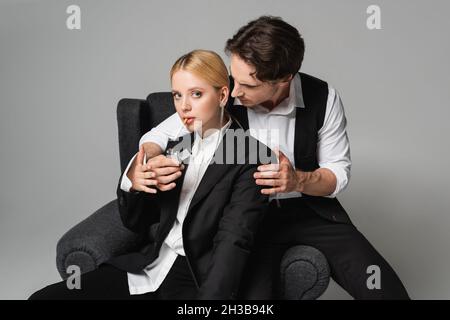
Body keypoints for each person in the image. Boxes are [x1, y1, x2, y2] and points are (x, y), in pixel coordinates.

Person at [136, 16, 410, 299]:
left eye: (248, 86)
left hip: (309, 211)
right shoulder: (222, 94)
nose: (236, 92)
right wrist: (151, 159)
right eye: (234, 78)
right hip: (243, 217)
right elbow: (155, 137)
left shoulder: (323, 97)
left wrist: (298, 180)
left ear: (284, 80)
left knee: (381, 285)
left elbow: (338, 174)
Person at [29, 49, 273, 300]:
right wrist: (133, 184)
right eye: (177, 96)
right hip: (151, 266)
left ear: (222, 95)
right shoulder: (178, 147)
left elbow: (233, 241)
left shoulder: (252, 156)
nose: (184, 107)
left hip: (199, 278)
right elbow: (136, 222)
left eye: (196, 94)